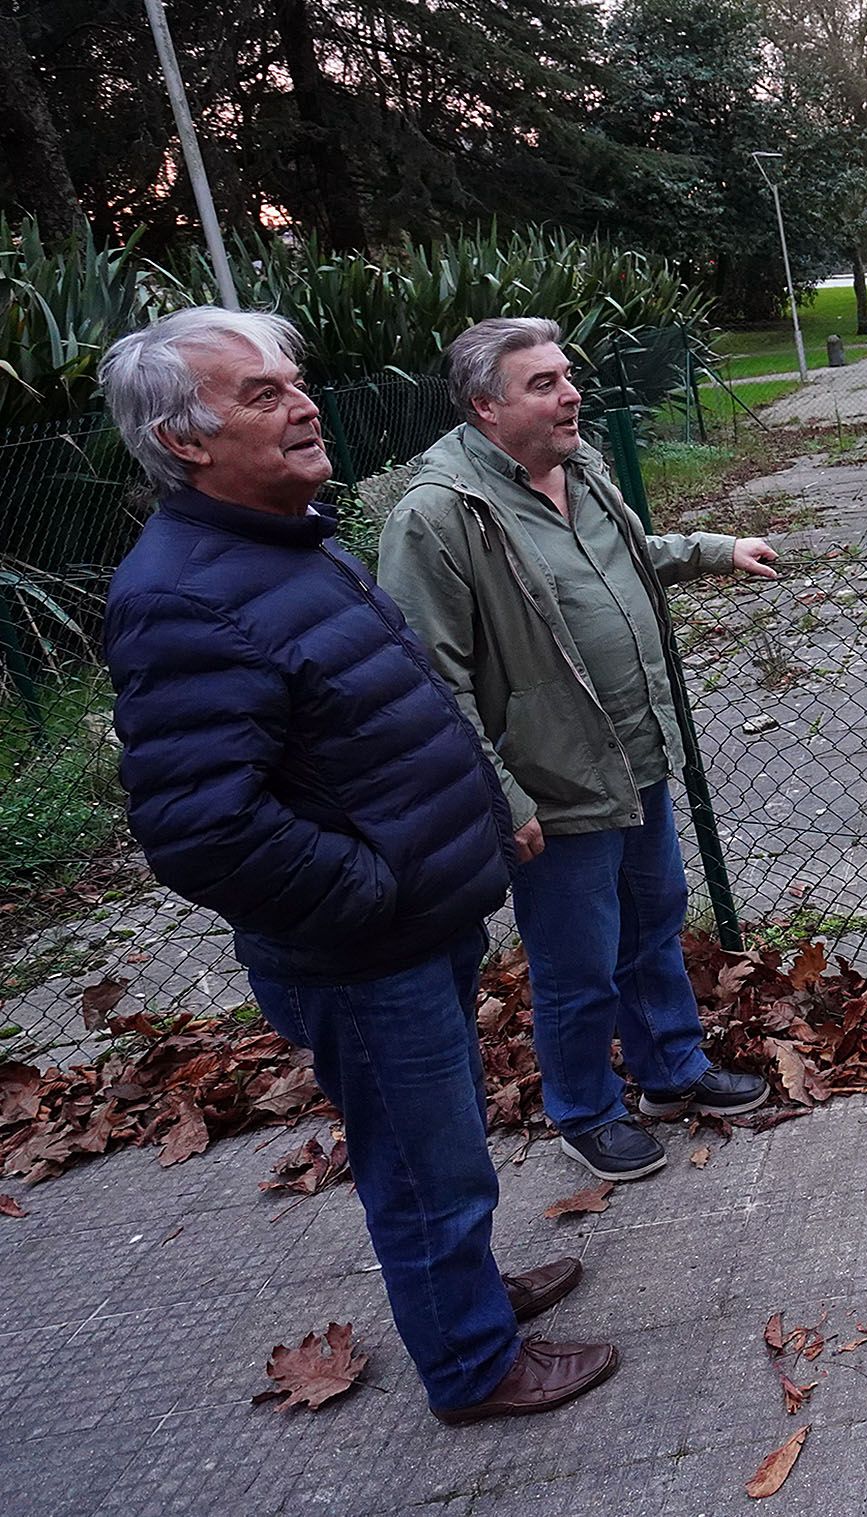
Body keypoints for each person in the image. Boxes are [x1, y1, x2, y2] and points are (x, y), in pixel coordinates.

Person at [98, 308, 616, 1424]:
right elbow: (200, 827)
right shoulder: (184, 592)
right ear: (185, 441)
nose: (302, 403)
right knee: (426, 1168)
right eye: (261, 394)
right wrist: (372, 892)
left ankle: (464, 1293)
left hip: (417, 920)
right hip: (362, 946)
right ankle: (473, 1364)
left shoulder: (286, 537)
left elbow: (386, 705)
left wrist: (462, 833)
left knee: (448, 1146)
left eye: (295, 381)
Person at [380, 318, 778, 1183]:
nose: (570, 394)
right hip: (551, 786)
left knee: (655, 926)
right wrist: (502, 801)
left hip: (636, 756)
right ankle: (584, 1109)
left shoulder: (580, 467)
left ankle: (671, 1072)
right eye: (544, 384)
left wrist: (715, 550)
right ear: (486, 406)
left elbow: (628, 558)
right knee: (577, 964)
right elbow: (426, 680)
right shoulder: (440, 515)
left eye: (567, 376)